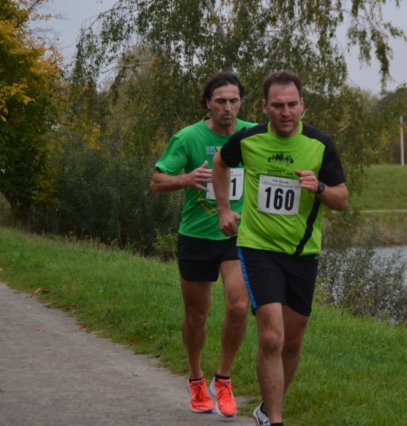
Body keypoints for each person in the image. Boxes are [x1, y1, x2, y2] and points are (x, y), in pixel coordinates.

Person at [212, 70, 348, 426]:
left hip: (302, 252)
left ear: (303, 105)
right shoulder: (249, 140)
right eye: (277, 105)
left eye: (292, 104)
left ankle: (265, 408)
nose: (285, 112)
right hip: (258, 248)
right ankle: (275, 420)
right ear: (264, 107)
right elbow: (220, 162)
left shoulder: (320, 145)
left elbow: (342, 200)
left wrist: (319, 188)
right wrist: (224, 209)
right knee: (272, 336)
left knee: (292, 340)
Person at [150, 72, 254, 418]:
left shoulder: (252, 134)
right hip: (197, 235)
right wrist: (186, 178)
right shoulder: (188, 137)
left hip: (237, 235)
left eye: (234, 100)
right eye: (221, 101)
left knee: (238, 306)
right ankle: (195, 378)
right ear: (208, 103)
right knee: (197, 315)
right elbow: (156, 182)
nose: (228, 107)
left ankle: (223, 379)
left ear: (241, 103)